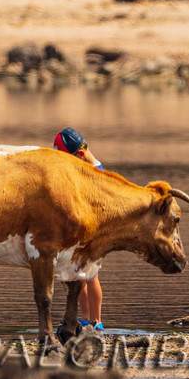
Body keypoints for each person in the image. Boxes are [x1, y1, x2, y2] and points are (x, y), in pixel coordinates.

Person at [53, 127, 106, 331]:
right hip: (77, 232)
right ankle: (84, 320)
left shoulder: (96, 173)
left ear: (80, 154)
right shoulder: (81, 169)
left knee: (91, 277)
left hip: (93, 233)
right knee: (78, 277)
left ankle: (97, 321)